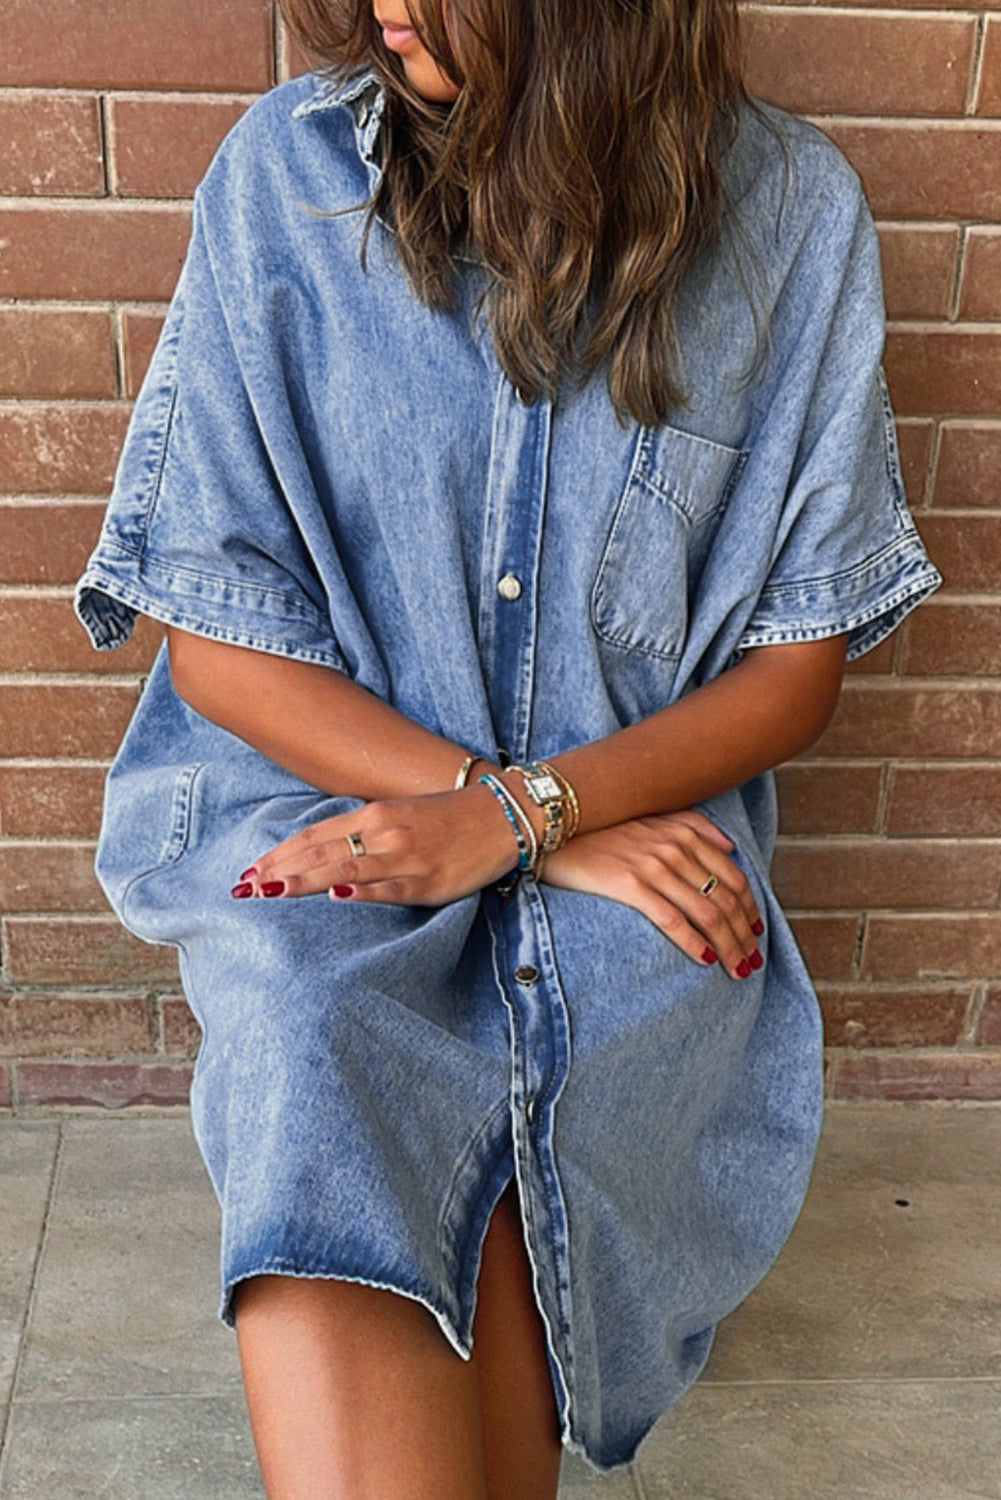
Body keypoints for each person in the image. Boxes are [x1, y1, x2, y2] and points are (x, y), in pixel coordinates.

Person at [74, 1, 941, 1495]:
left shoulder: (792, 217)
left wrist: (534, 815)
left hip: (637, 817)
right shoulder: (284, 180)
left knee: (540, 1108)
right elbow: (212, 632)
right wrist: (520, 815)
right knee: (314, 1034)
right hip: (326, 786)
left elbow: (793, 668)